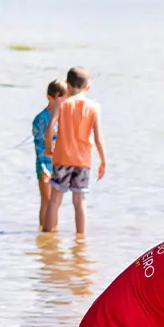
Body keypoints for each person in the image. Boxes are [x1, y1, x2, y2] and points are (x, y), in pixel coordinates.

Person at [43, 66, 105, 235]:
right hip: (83, 160)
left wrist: (49, 149)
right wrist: (103, 162)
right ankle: (80, 239)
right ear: (88, 87)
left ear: (67, 85)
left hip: (62, 157)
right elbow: (99, 139)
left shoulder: (61, 104)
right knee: (80, 201)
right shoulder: (94, 107)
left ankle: (47, 235)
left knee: (55, 198)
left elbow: (50, 129)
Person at [32, 78, 66, 232]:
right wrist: (44, 167)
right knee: (46, 200)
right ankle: (44, 232)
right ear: (50, 97)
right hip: (44, 164)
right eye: (61, 97)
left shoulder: (65, 116)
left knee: (56, 202)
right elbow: (39, 145)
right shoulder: (41, 118)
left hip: (59, 164)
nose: (64, 100)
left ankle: (53, 231)